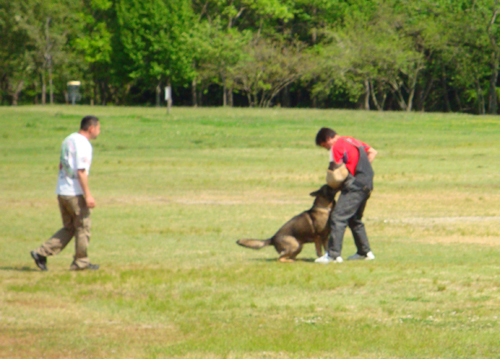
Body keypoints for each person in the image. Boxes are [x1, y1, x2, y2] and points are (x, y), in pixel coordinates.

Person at [31, 116, 101, 271]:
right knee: (83, 226)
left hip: (62, 190)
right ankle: (81, 262)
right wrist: (88, 195)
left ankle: (40, 253)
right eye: (98, 128)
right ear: (91, 128)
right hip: (74, 192)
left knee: (70, 228)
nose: (99, 131)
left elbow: (61, 163)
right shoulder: (84, 144)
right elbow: (81, 171)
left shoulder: (68, 139)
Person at [314, 127, 377, 264]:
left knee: (338, 217)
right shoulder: (352, 140)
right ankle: (364, 252)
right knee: (354, 219)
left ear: (329, 139)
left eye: (325, 145)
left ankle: (333, 255)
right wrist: (362, 171)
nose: (326, 148)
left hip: (355, 186)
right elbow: (372, 152)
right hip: (367, 182)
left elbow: (335, 171)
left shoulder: (336, 146)